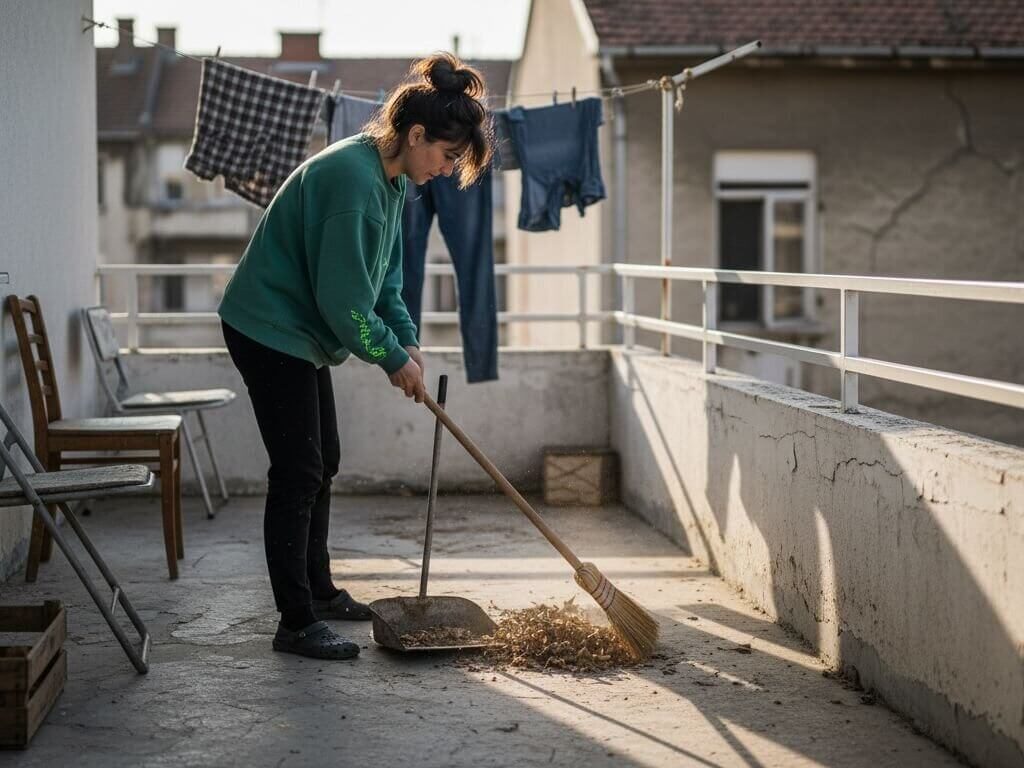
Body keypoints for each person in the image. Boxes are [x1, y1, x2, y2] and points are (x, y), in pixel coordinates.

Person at [218, 53, 492, 660]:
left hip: (301, 331)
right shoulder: (352, 182)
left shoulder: (391, 182)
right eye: (446, 156)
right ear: (416, 134)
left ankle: (317, 593)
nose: (446, 170)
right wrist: (392, 359)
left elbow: (385, 281)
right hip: (268, 327)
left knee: (325, 459)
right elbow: (344, 304)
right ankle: (294, 622)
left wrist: (407, 341)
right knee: (298, 472)